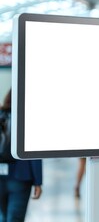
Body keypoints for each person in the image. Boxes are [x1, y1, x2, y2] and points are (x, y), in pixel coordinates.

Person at [0, 89, 42, 221]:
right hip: (21, 176)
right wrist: (38, 182)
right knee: (15, 218)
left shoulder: (1, 115)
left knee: (2, 216)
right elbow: (34, 153)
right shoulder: (27, 119)